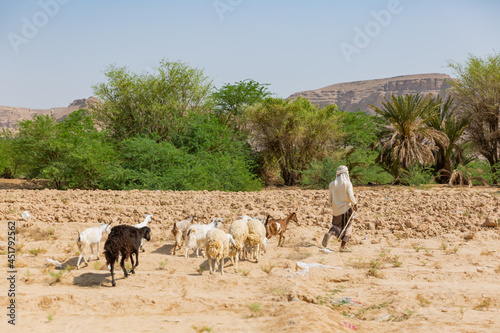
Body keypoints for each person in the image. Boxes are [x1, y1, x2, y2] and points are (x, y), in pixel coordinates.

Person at [322, 165, 358, 252]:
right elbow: (350, 196)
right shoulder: (347, 184)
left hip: (336, 209)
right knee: (348, 227)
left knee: (336, 224)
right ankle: (343, 247)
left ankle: (330, 233)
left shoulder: (332, 184)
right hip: (345, 209)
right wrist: (355, 204)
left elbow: (330, 198)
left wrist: (333, 204)